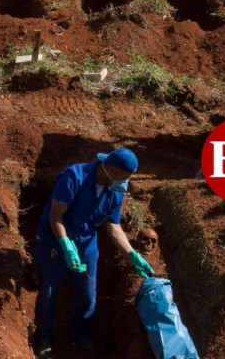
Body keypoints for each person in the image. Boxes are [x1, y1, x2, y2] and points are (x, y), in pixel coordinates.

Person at [34, 147, 155, 358]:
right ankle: (44, 337)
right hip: (54, 242)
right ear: (110, 169)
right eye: (124, 176)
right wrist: (65, 245)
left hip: (86, 245)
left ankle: (80, 332)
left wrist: (130, 253)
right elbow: (56, 217)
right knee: (49, 294)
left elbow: (113, 226)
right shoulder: (74, 177)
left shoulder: (115, 188)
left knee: (88, 296)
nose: (125, 182)